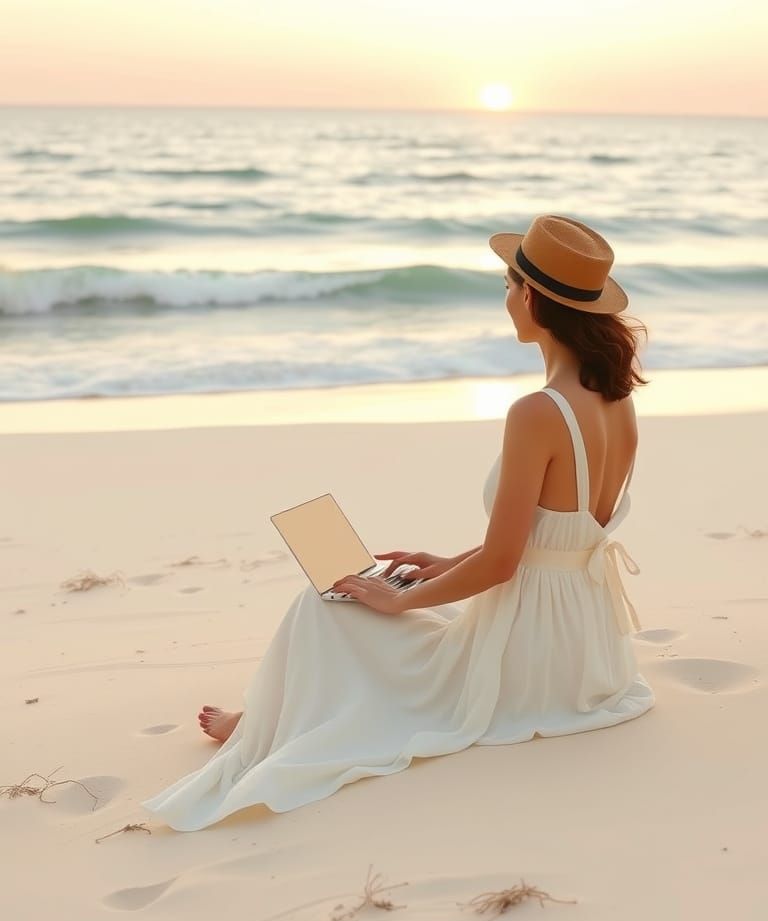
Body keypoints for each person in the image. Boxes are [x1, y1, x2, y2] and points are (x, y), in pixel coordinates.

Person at [141, 214, 655, 832]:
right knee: (378, 600)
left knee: (327, 606)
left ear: (532, 300)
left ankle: (263, 727)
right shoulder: (618, 400)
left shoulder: (538, 412)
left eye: (508, 286)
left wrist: (399, 601)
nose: (506, 299)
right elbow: (560, 536)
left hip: (532, 653)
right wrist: (445, 565)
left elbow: (504, 563)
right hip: (588, 647)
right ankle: (265, 719)